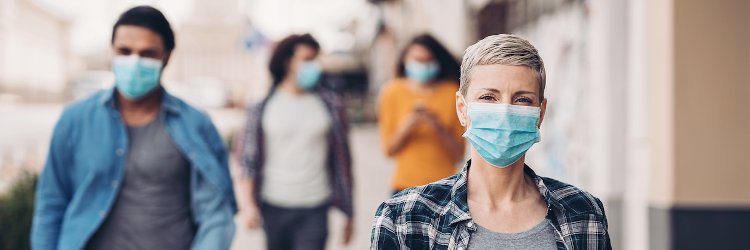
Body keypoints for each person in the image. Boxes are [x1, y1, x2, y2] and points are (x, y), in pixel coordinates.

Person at [371, 34, 612, 249]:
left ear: (541, 113)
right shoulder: (404, 221)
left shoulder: (583, 214)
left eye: (522, 100)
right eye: (488, 97)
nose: (505, 112)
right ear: (462, 109)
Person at [31, 6, 236, 250]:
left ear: (166, 57)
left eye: (147, 54)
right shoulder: (75, 120)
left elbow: (216, 214)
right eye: (124, 51)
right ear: (112, 51)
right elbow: (51, 203)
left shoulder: (196, 125)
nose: (134, 62)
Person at [235, 34, 354, 250]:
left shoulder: (331, 106)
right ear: (287, 62)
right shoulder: (261, 107)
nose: (313, 65)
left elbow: (344, 161)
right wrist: (248, 205)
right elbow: (246, 160)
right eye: (306, 59)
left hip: (315, 206)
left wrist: (349, 213)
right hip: (274, 206)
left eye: (315, 59)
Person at [378, 34, 465, 193]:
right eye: (418, 60)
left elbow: (459, 154)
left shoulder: (452, 92)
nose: (424, 65)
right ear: (405, 60)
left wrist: (439, 127)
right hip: (404, 187)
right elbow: (388, 150)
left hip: (445, 187)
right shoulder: (392, 92)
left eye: (429, 60)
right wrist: (407, 127)